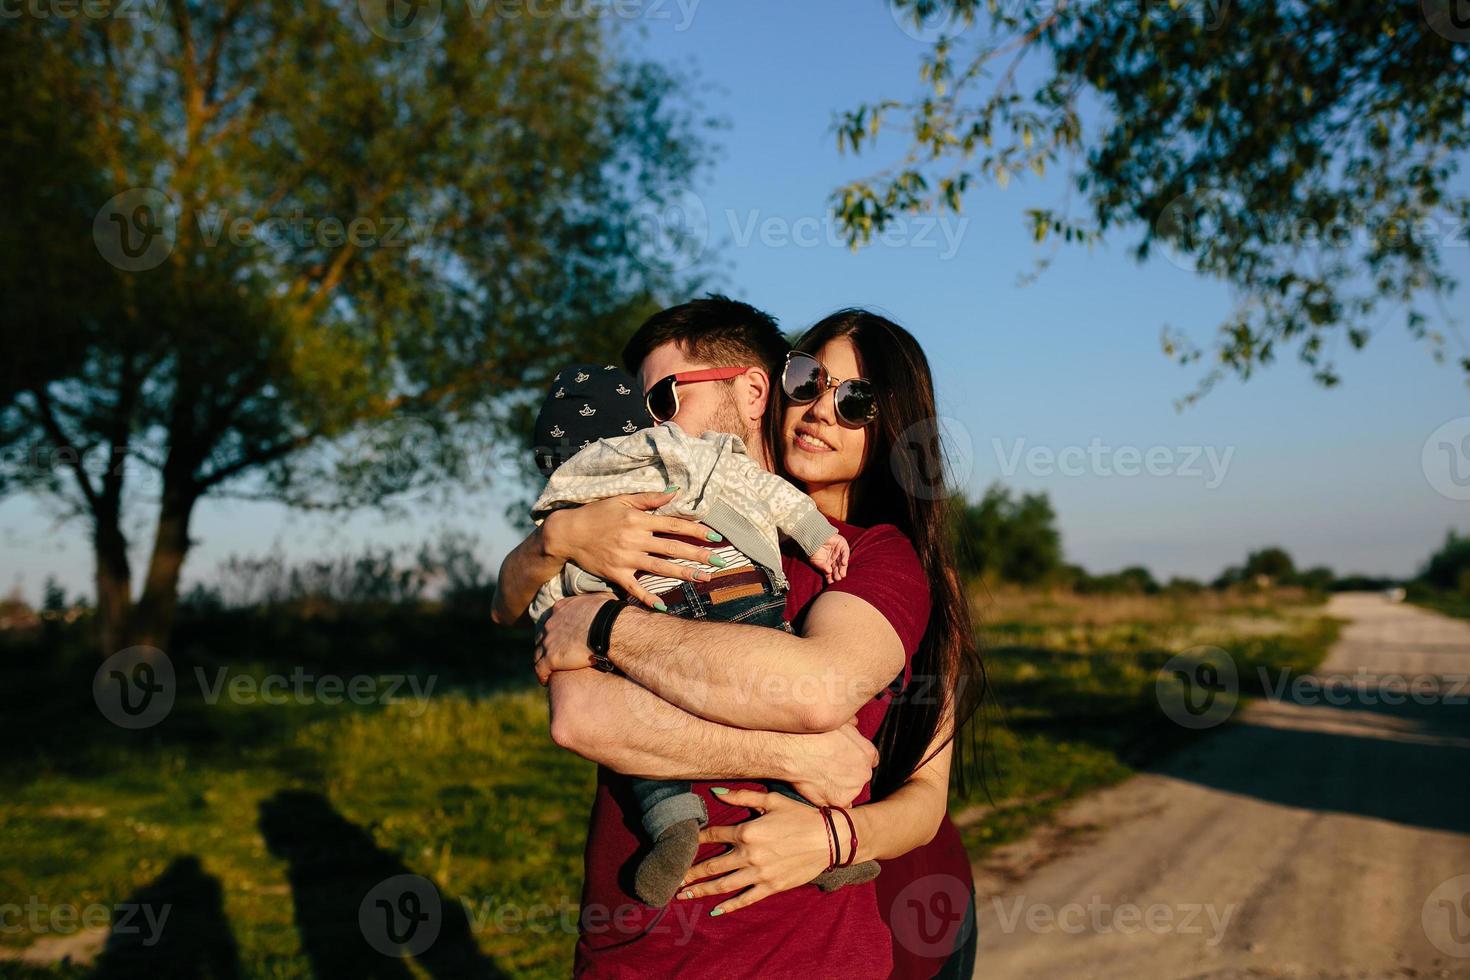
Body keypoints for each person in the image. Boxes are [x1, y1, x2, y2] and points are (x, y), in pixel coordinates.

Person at [492, 297, 982, 978]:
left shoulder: (884, 559)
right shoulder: (641, 530)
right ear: (776, 387)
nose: (818, 408)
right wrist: (557, 540)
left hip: (832, 927)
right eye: (808, 381)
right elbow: (581, 715)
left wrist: (604, 630)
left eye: (856, 401)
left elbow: (821, 697)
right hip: (636, 951)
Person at [523, 361, 874, 907]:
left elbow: (552, 609)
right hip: (736, 588)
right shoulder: (680, 450)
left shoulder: (565, 511)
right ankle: (812, 828)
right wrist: (814, 535)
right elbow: (764, 490)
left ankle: (672, 824)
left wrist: (554, 644)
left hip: (650, 612)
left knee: (646, 741)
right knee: (775, 691)